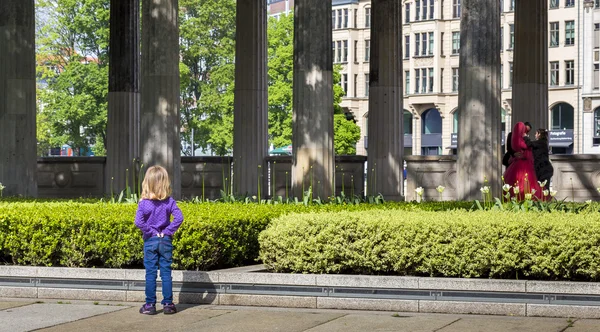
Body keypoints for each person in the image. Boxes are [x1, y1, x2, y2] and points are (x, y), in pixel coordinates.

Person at [135, 165, 184, 315]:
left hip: (150, 241)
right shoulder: (169, 202)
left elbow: (139, 222)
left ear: (147, 182)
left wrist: (151, 232)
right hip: (165, 241)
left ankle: (150, 305)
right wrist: (167, 231)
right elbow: (179, 218)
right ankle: (168, 304)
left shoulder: (144, 203)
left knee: (150, 273)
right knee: (166, 273)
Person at [503, 122, 542, 200]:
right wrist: (514, 154)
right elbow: (509, 147)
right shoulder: (513, 135)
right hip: (515, 160)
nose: (526, 132)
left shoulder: (522, 137)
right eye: (525, 130)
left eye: (527, 131)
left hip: (519, 161)